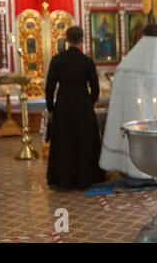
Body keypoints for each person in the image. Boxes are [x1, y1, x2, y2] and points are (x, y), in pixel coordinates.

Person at [99, 24, 157, 187]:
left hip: (136, 113)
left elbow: (120, 77)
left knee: (137, 139)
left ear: (143, 33)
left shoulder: (133, 59)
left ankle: (135, 174)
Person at [45, 26, 105, 190]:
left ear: (67, 39)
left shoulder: (57, 60)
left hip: (63, 107)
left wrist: (50, 108)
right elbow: (96, 89)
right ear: (82, 39)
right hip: (83, 106)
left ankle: (63, 179)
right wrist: (88, 103)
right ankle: (86, 178)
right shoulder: (87, 61)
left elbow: (49, 88)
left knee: (64, 142)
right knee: (84, 142)